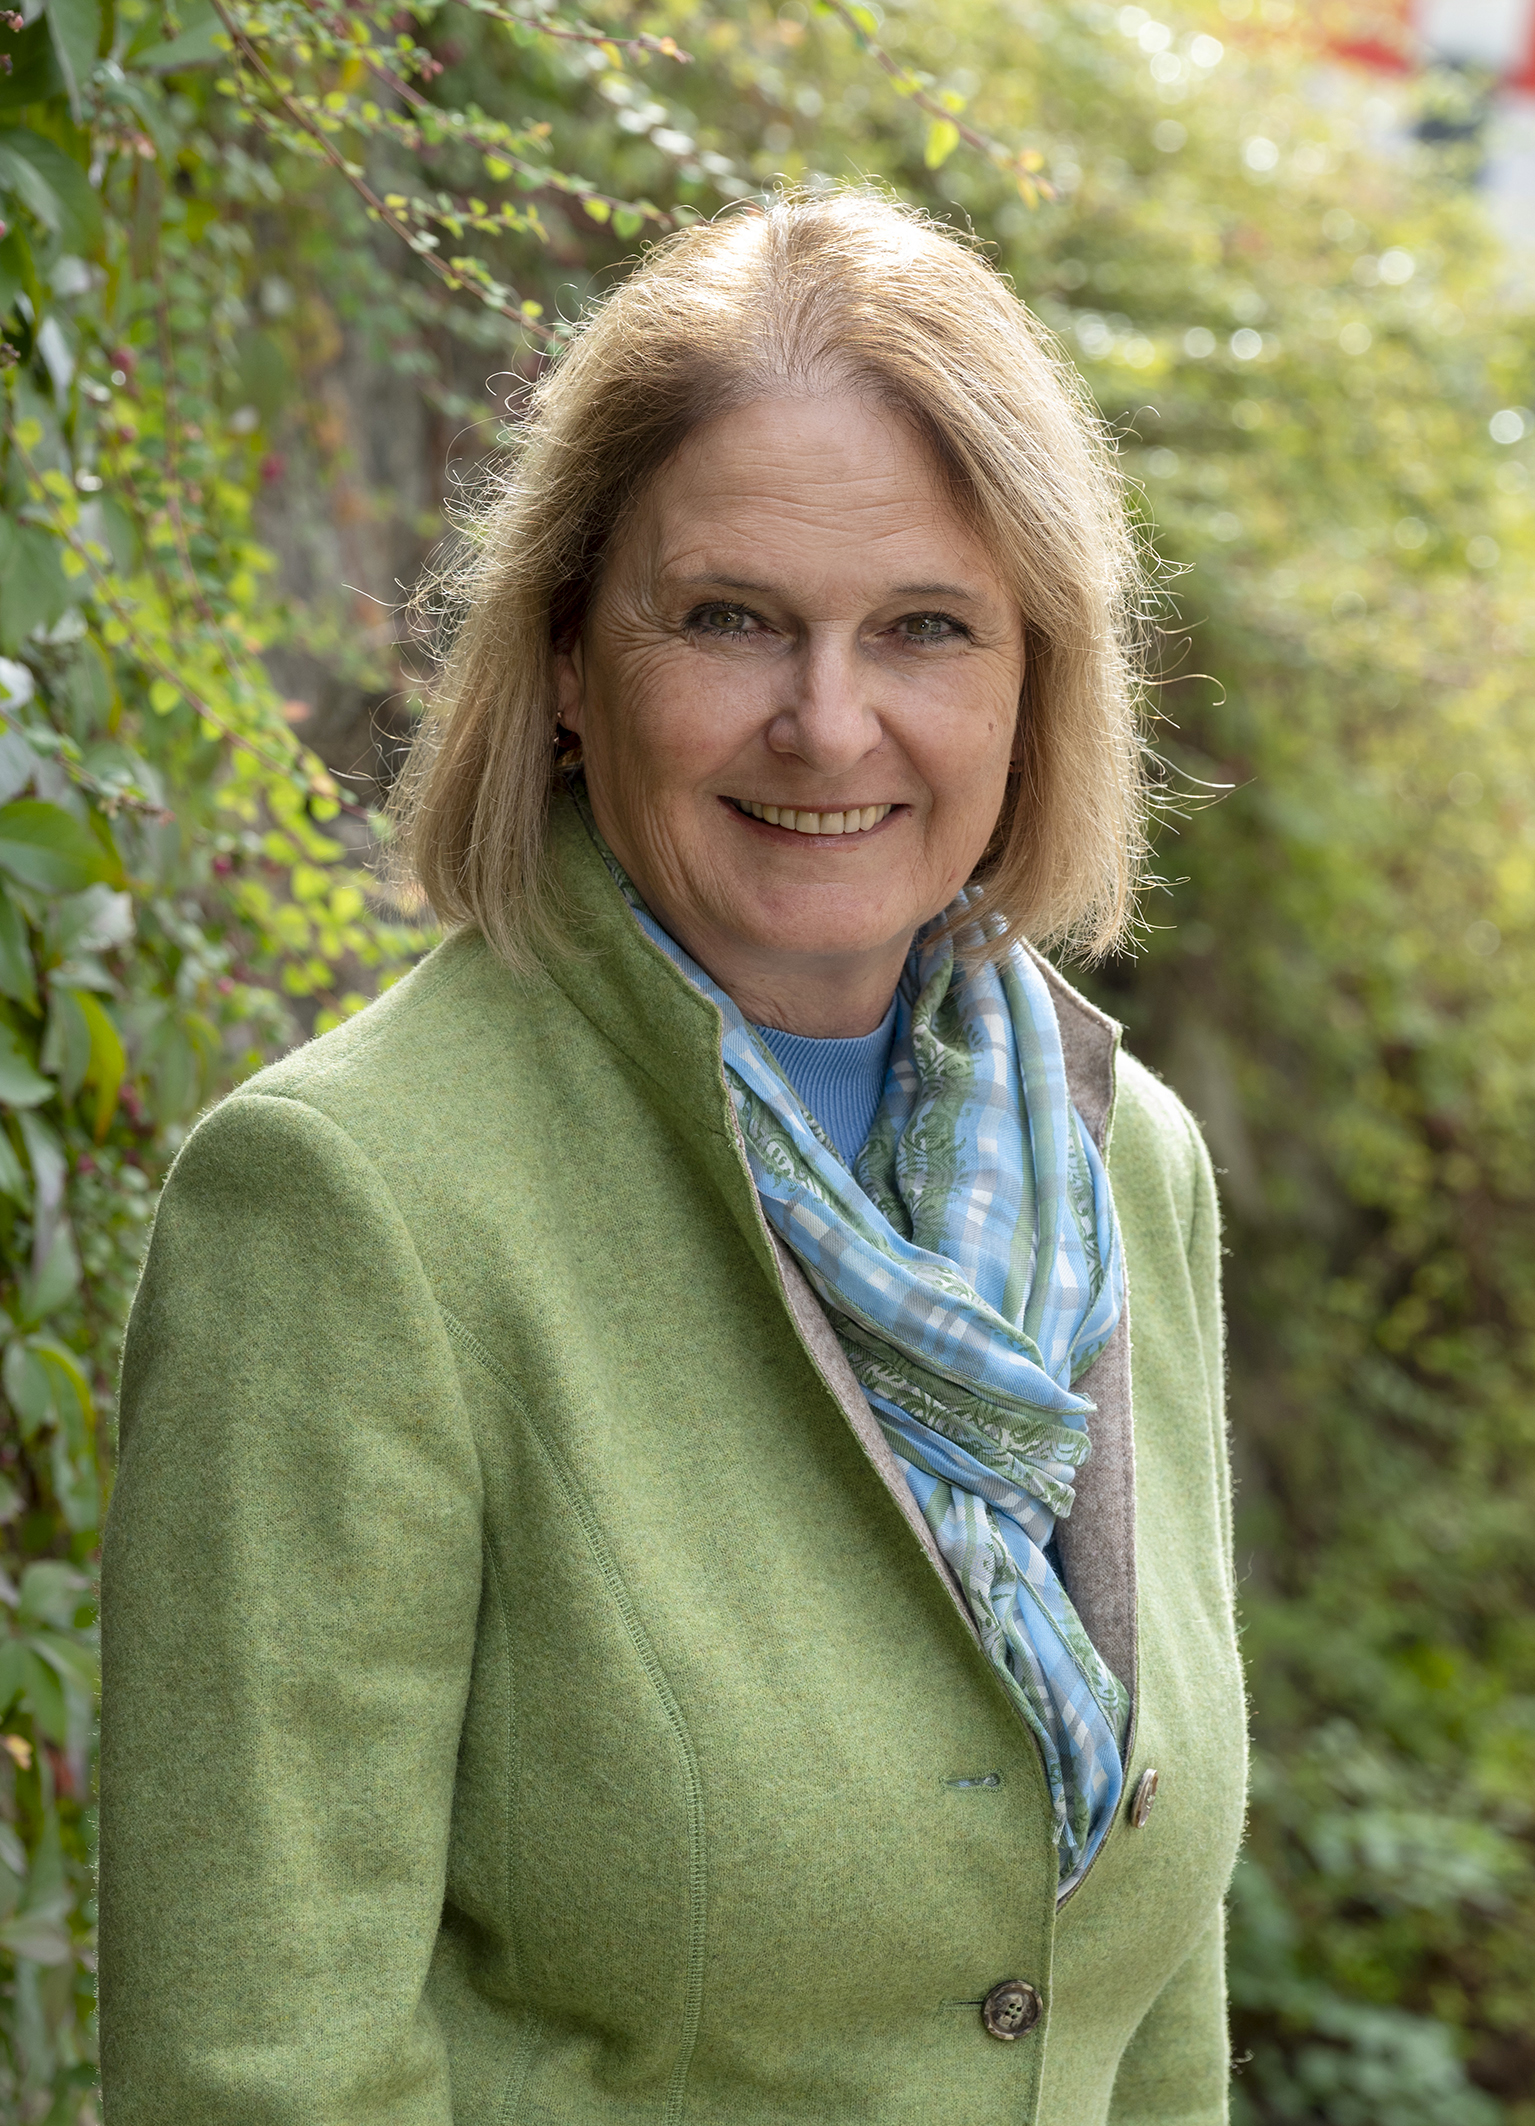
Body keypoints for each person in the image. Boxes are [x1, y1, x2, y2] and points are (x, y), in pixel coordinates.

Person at [100, 191, 1246, 2126]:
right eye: (730, 619)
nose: (828, 721)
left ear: (1033, 675)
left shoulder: (1124, 1157)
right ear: (567, 655)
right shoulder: (346, 1206)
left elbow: (1158, 2030)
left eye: (926, 627)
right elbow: (259, 2077)